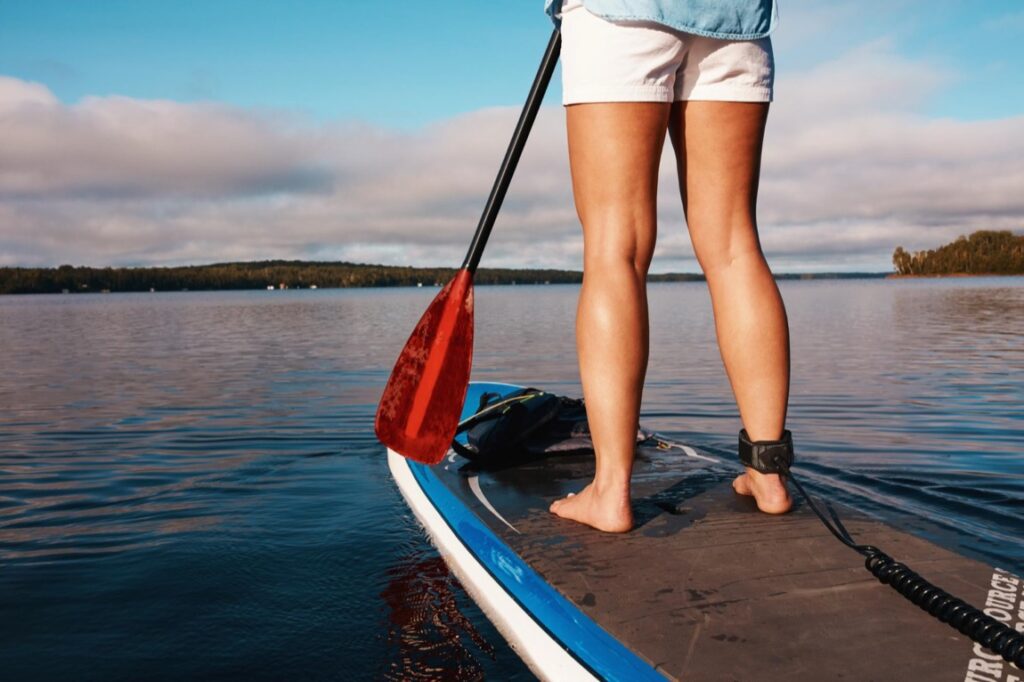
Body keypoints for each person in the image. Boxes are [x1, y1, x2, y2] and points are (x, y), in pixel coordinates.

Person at [544, 0, 794, 532]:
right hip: (737, 19)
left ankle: (610, 492)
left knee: (616, 248)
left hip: (620, 15)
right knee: (734, 246)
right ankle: (768, 475)